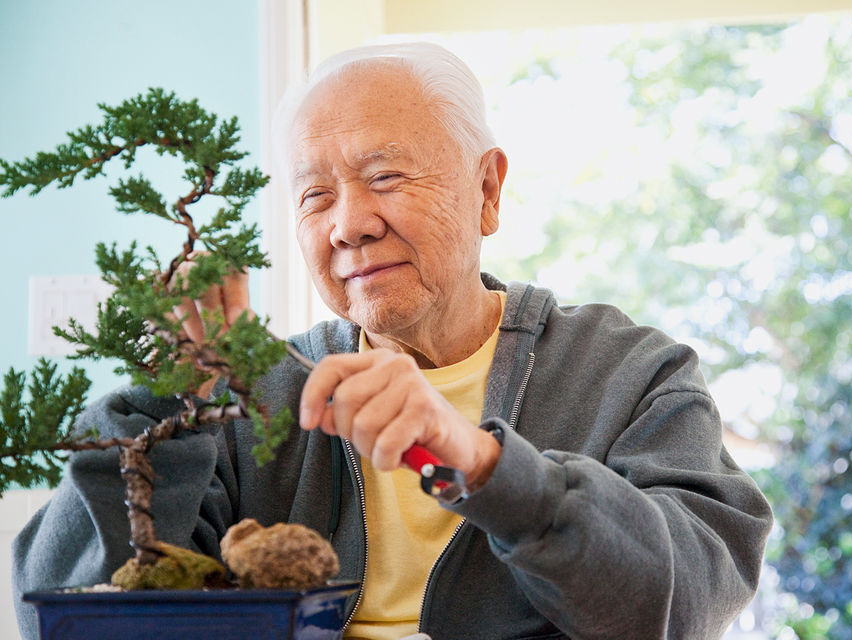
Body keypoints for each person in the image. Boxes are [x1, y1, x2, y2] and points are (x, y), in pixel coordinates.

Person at [13, 42, 773, 640]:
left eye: (385, 176)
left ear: (487, 190)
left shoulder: (631, 373)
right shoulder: (254, 398)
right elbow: (72, 609)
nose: (348, 223)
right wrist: (164, 406)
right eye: (315, 195)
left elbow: (685, 605)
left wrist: (487, 466)